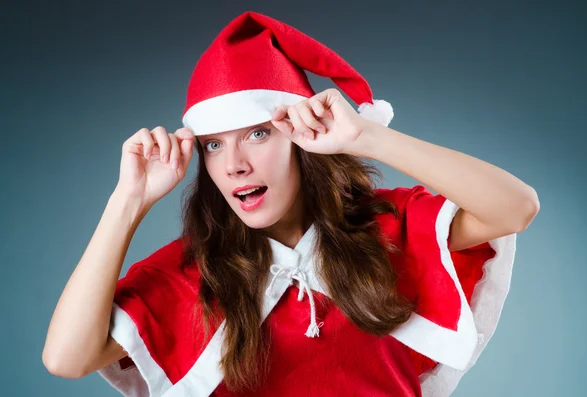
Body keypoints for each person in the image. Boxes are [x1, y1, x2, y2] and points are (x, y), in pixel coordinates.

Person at [42, 11, 539, 397]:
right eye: (214, 145)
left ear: (301, 139)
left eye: (257, 134)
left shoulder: (388, 227)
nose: (234, 164)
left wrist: (367, 138)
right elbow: (66, 358)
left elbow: (516, 207)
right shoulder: (194, 274)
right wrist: (128, 201)